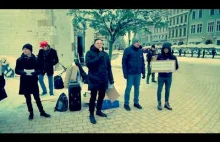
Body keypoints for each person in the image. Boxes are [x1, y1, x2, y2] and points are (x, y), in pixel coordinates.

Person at [15, 43, 51, 120]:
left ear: (30, 50)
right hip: (24, 81)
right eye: (23, 49)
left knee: (37, 97)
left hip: (33, 81)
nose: (24, 50)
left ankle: (42, 112)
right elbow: (16, 70)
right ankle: (31, 113)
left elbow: (40, 69)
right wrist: (22, 72)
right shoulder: (20, 60)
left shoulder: (36, 59)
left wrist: (35, 72)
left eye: (26, 49)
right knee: (28, 98)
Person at [85, 39, 114, 124]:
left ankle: (98, 110)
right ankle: (91, 114)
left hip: (103, 79)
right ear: (94, 44)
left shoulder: (105, 54)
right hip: (94, 79)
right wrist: (99, 55)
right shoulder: (89, 53)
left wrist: (111, 79)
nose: (99, 44)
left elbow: (109, 67)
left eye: (101, 43)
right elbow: (89, 64)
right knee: (93, 97)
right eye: (97, 43)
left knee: (101, 96)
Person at [122, 38, 145, 111]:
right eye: (137, 42)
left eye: (139, 42)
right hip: (130, 73)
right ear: (133, 43)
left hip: (138, 73)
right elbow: (124, 63)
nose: (138, 43)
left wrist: (143, 72)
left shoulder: (140, 51)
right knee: (128, 88)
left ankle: (136, 102)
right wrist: (125, 73)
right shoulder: (127, 50)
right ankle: (126, 103)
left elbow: (143, 62)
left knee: (137, 88)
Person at [156, 42, 179, 111]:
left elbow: (176, 66)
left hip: (169, 76)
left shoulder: (173, 57)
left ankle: (166, 103)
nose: (165, 50)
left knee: (167, 90)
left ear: (169, 49)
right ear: (162, 49)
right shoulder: (159, 56)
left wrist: (171, 68)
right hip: (161, 76)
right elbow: (154, 66)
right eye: (164, 49)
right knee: (159, 90)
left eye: (167, 49)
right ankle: (159, 102)